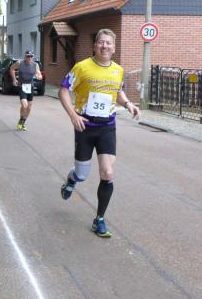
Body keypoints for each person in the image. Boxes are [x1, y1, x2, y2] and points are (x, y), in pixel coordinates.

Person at [58, 29, 140, 238]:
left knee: (108, 173)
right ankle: (72, 179)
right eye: (101, 42)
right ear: (95, 46)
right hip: (85, 126)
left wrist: (128, 104)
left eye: (108, 43)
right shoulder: (82, 67)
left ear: (114, 47)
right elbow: (64, 90)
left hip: (107, 127)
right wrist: (72, 115)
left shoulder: (118, 70)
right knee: (82, 174)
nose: (104, 46)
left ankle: (99, 219)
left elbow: (118, 92)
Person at [11, 50, 43, 131]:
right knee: (24, 105)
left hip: (30, 87)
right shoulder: (19, 63)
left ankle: (23, 122)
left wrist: (39, 76)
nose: (30, 58)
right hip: (22, 86)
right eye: (28, 56)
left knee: (29, 107)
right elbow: (12, 69)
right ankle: (21, 120)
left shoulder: (35, 65)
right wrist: (14, 79)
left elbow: (39, 74)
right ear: (25, 56)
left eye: (31, 56)